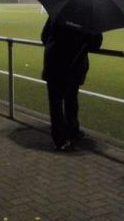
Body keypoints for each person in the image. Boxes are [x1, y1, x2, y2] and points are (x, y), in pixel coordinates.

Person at [41, 18, 102, 151]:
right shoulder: (88, 18)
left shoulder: (57, 14)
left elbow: (44, 37)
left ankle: (60, 138)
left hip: (53, 63)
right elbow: (95, 45)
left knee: (56, 102)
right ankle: (72, 132)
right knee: (71, 99)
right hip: (73, 65)